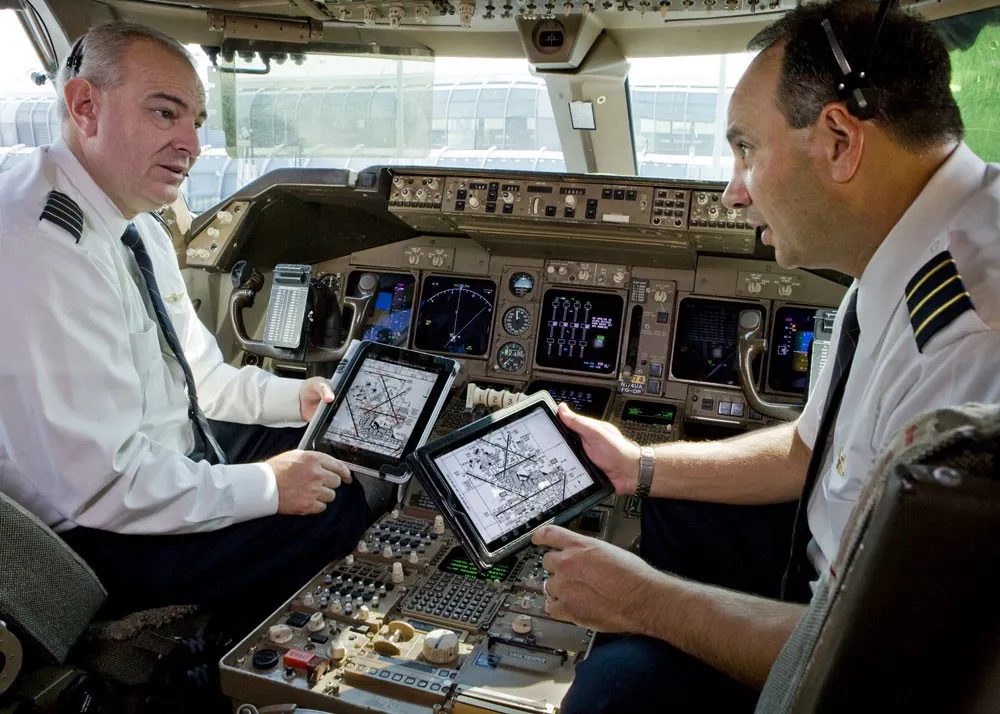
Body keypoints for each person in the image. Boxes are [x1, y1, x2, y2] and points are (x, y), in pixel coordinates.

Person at [535, 2, 1000, 712]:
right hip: (840, 573)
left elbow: (888, 661)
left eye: (746, 149)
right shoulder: (909, 243)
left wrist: (643, 603)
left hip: (865, 647)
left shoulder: (966, 337)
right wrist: (639, 464)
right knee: (660, 508)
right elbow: (809, 451)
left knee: (612, 694)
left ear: (841, 140)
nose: (733, 191)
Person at [0, 22, 369, 625]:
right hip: (95, 537)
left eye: (196, 120)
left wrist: (298, 398)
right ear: (85, 106)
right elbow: (101, 485)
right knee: (333, 503)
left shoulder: (136, 218)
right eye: (165, 113)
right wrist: (269, 487)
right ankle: (213, 666)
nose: (191, 144)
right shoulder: (38, 244)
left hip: (156, 469)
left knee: (330, 450)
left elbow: (201, 377)